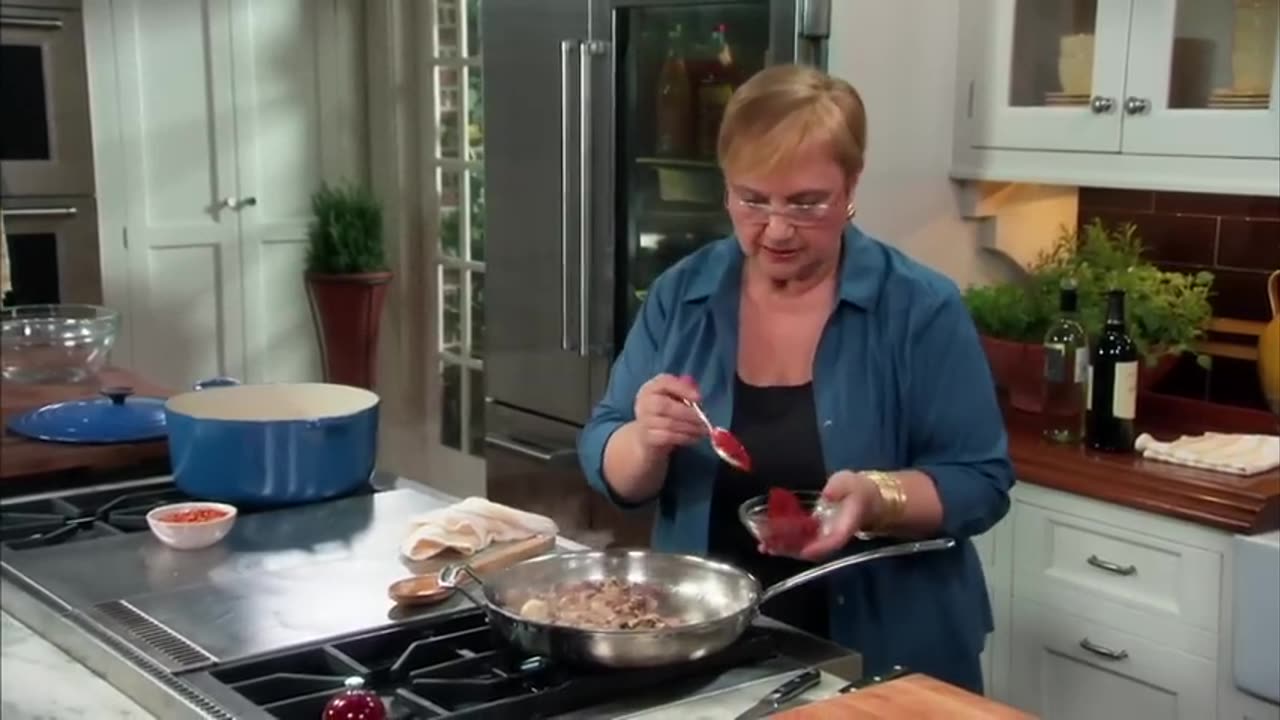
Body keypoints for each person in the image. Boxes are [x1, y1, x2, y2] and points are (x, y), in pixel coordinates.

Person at [576, 64, 1013, 693]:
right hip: (709, 655)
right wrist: (645, 441)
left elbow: (981, 481)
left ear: (851, 186)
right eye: (753, 200)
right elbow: (606, 453)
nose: (776, 229)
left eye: (807, 203)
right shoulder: (684, 293)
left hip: (889, 660)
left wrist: (877, 498)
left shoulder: (919, 307)